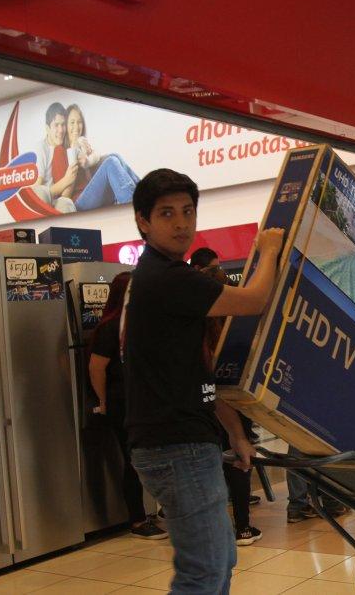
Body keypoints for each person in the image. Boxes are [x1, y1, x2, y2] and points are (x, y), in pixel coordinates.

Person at [122, 168, 284, 594]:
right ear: (143, 221)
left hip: (183, 441)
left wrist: (235, 434)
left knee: (219, 561)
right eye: (167, 213)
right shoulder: (166, 278)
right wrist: (268, 250)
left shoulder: (161, 276)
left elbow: (199, 373)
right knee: (204, 572)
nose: (181, 223)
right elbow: (254, 300)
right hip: (176, 447)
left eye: (188, 211)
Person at [86, 271, 167, 540]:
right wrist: (103, 401)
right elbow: (96, 367)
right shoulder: (110, 328)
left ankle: (151, 512)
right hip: (123, 403)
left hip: (141, 401)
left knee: (146, 458)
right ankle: (137, 519)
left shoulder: (136, 324)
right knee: (134, 461)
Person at [196, 263, 262, 546]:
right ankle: (243, 527)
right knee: (239, 461)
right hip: (235, 404)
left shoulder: (196, 329)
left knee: (212, 465)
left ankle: (213, 528)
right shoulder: (235, 329)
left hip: (205, 408)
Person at [62, 104, 142, 211]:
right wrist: (74, 150)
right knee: (111, 162)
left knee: (114, 156)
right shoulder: (61, 151)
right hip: (78, 204)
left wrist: (88, 159)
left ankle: (144, 191)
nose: (76, 126)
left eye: (79, 122)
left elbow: (94, 162)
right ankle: (134, 205)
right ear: (66, 126)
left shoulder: (83, 146)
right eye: (72, 122)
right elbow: (64, 197)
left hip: (93, 196)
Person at [33, 103, 78, 213]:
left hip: (60, 199)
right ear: (47, 128)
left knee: (65, 203)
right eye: (56, 125)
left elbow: (70, 185)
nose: (61, 130)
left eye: (63, 125)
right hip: (46, 201)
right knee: (41, 193)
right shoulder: (42, 148)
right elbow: (36, 194)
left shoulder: (66, 148)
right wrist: (66, 180)